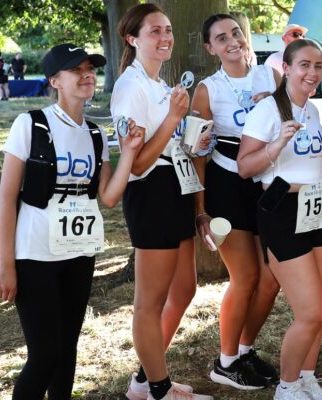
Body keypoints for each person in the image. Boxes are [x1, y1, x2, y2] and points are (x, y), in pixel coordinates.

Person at [0, 43, 141, 400]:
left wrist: (130, 153)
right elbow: (7, 197)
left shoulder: (94, 134)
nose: (86, 75)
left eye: (90, 69)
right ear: (55, 80)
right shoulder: (31, 124)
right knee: (44, 354)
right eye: (76, 70)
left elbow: (107, 197)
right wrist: (6, 263)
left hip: (78, 251)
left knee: (68, 350)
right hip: (35, 253)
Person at [111, 4, 212, 399]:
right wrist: (172, 119)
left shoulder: (159, 84)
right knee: (148, 304)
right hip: (150, 194)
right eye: (155, 31)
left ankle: (145, 378)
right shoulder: (130, 86)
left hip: (175, 187)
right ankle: (157, 388)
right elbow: (134, 166)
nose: (165, 37)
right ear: (132, 39)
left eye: (168, 30)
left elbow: (168, 145)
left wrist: (190, 139)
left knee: (185, 289)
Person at [238, 38, 322, 400]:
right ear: (288, 68)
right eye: (304, 66)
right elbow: (244, 167)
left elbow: (318, 162)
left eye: (318, 67)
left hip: (320, 208)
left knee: (320, 305)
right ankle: (288, 386)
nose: (312, 73)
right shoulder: (268, 110)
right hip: (282, 210)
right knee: (309, 311)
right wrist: (275, 145)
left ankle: (307, 378)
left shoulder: (312, 110)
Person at [190, 13, 282, 391]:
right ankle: (225, 362)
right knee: (245, 277)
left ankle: (244, 350)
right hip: (226, 184)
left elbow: (294, 120)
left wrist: (277, 103)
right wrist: (200, 210)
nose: (233, 41)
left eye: (236, 33)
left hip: (269, 183)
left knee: (272, 280)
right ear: (211, 48)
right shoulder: (207, 90)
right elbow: (196, 153)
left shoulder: (273, 76)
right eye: (221, 38)